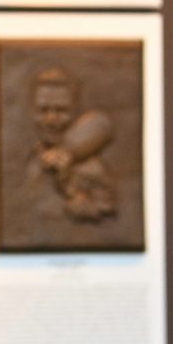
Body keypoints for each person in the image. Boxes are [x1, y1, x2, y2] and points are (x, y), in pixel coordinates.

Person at [26, 66, 118, 225]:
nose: (51, 119)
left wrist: (74, 196)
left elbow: (107, 216)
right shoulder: (32, 158)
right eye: (43, 110)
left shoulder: (93, 170)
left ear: (76, 112)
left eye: (61, 110)